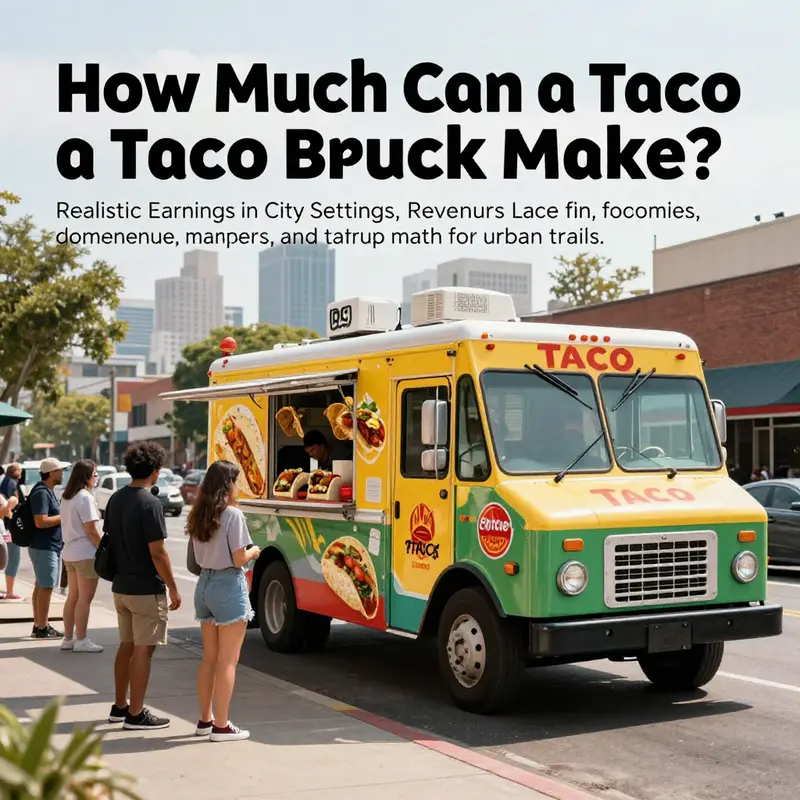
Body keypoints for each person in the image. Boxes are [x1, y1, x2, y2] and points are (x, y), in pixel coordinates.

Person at [105, 442, 181, 731]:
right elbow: (158, 552)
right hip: (145, 588)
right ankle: (136, 713)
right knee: (143, 651)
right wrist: (173, 587)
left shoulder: (116, 499)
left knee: (126, 646)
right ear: (155, 470)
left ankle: (119, 706)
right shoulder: (150, 504)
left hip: (120, 585)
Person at [187, 460, 261, 742]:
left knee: (209, 659)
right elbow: (238, 558)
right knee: (228, 662)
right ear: (228, 484)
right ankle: (221, 725)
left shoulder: (198, 513)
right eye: (235, 481)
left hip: (204, 585)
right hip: (228, 584)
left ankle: (204, 720)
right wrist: (254, 551)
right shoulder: (232, 515)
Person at [60, 459, 103, 653]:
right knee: (85, 598)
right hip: (85, 553)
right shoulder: (85, 497)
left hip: (69, 551)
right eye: (95, 474)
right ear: (86, 477)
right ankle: (81, 639)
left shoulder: (67, 496)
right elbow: (91, 530)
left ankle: (68, 638)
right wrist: (103, 549)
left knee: (73, 597)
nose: (96, 478)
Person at [28, 458, 65, 639]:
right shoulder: (42, 493)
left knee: (41, 586)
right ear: (51, 473)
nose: (63, 473)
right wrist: (63, 517)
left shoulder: (46, 491)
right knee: (46, 587)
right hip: (45, 547)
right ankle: (42, 627)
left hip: (45, 546)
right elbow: (40, 521)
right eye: (60, 470)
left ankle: (39, 624)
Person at [0, 464, 23, 601]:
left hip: (6, 529)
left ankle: (9, 591)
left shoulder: (5, 483)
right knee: (13, 559)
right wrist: (10, 505)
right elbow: (10, 505)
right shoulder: (11, 483)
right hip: (9, 530)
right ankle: (9, 591)